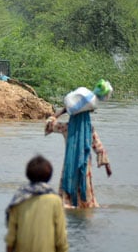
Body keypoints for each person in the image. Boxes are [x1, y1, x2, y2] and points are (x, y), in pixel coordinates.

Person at [4, 155, 69, 252]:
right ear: (49, 176)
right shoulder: (55, 200)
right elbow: (61, 238)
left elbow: (10, 237)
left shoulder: (19, 200)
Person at [44, 80, 113, 208]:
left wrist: (62, 111)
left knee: (66, 195)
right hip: (85, 165)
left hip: (69, 165)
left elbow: (49, 124)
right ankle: (85, 205)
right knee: (86, 193)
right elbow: (99, 148)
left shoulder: (66, 128)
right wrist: (107, 165)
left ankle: (68, 203)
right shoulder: (89, 129)